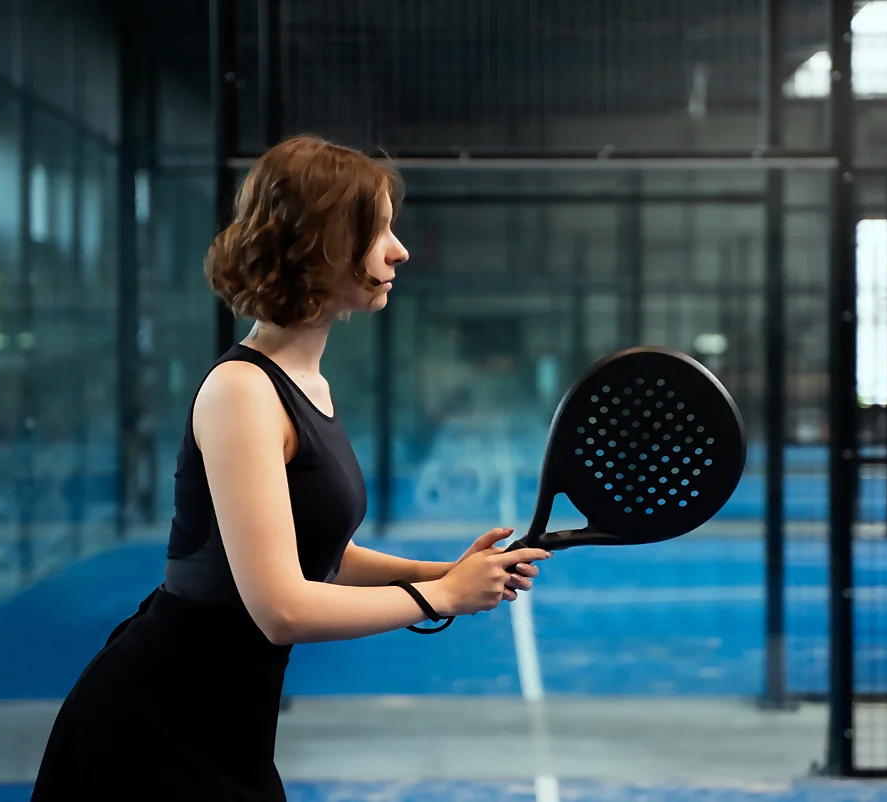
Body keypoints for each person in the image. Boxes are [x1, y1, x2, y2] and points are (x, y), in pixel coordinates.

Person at [30, 135, 552, 801]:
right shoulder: (242, 393)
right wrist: (443, 597)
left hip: (229, 720)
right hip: (153, 724)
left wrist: (443, 571)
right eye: (379, 231)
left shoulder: (307, 385)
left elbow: (321, 554)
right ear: (326, 244)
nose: (400, 251)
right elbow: (279, 606)